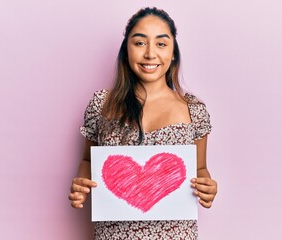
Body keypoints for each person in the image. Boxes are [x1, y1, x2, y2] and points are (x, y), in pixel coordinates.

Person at [68, 7, 217, 239]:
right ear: (126, 50)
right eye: (139, 43)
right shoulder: (101, 104)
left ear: (173, 53)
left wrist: (207, 187)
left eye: (161, 44)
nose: (150, 54)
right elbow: (88, 159)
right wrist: (81, 186)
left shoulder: (193, 109)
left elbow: (199, 168)